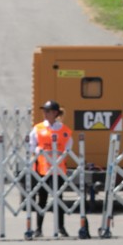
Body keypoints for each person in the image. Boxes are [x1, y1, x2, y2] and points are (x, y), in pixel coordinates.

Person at [29, 100, 71, 237]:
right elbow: (31, 145)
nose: (45, 114)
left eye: (47, 111)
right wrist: (39, 150)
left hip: (58, 171)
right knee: (42, 200)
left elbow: (68, 148)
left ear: (55, 113)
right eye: (44, 111)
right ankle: (38, 229)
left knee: (59, 199)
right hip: (43, 170)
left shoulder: (64, 130)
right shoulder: (38, 128)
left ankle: (61, 227)